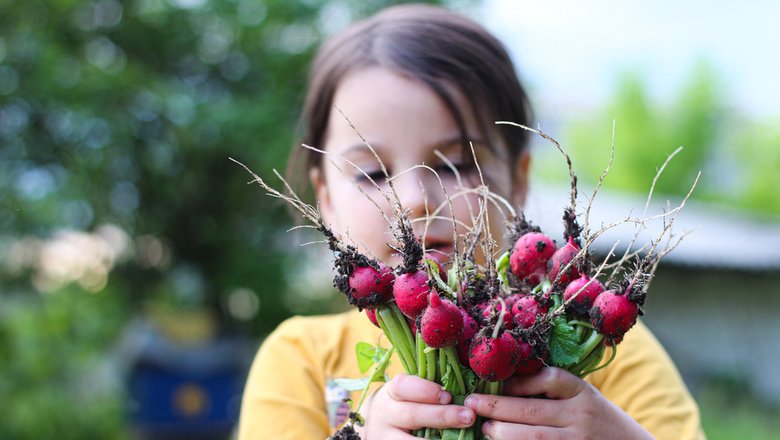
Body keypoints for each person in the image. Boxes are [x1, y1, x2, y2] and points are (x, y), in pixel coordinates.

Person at [237, 4, 706, 439]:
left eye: (455, 166)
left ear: (518, 182)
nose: (416, 201)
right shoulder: (301, 359)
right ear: (325, 198)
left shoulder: (600, 349)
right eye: (374, 173)